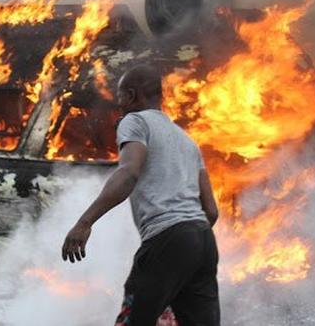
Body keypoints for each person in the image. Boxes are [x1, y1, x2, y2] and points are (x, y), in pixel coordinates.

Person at [61, 65, 220, 326]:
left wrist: (84, 222)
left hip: (167, 238)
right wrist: (187, 248)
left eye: (120, 96)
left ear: (131, 95)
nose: (118, 103)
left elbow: (128, 174)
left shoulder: (135, 122)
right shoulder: (187, 140)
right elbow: (211, 211)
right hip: (204, 242)